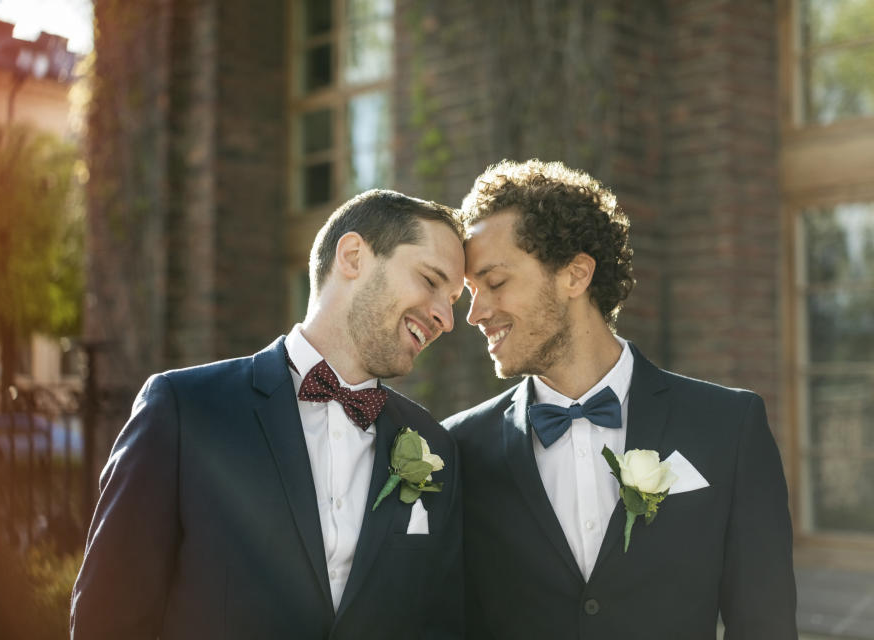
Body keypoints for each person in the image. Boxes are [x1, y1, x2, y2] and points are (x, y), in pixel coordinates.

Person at [71, 189, 466, 639]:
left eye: (453, 299)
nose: (446, 318)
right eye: (431, 280)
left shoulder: (435, 447)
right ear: (353, 256)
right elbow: (108, 617)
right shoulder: (185, 409)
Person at [444, 159, 796, 639]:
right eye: (470, 292)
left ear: (576, 275)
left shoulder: (728, 427)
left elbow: (765, 625)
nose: (476, 312)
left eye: (495, 283)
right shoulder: (460, 447)